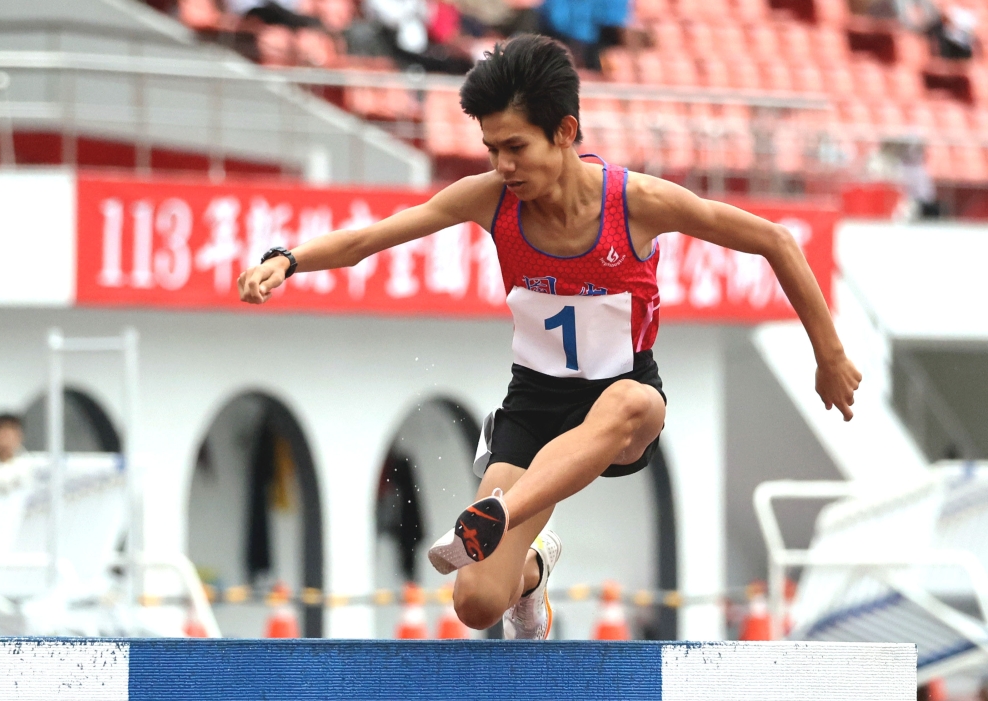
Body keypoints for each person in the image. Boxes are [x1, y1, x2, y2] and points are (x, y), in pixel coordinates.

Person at [237, 34, 862, 641]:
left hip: (620, 395)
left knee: (636, 404)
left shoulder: (636, 202)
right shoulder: (492, 200)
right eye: (490, 150)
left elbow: (776, 241)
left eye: (515, 147)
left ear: (564, 131)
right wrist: (286, 259)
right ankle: (532, 565)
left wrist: (828, 354)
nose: (502, 166)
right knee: (478, 603)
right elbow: (371, 238)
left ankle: (503, 515)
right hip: (533, 406)